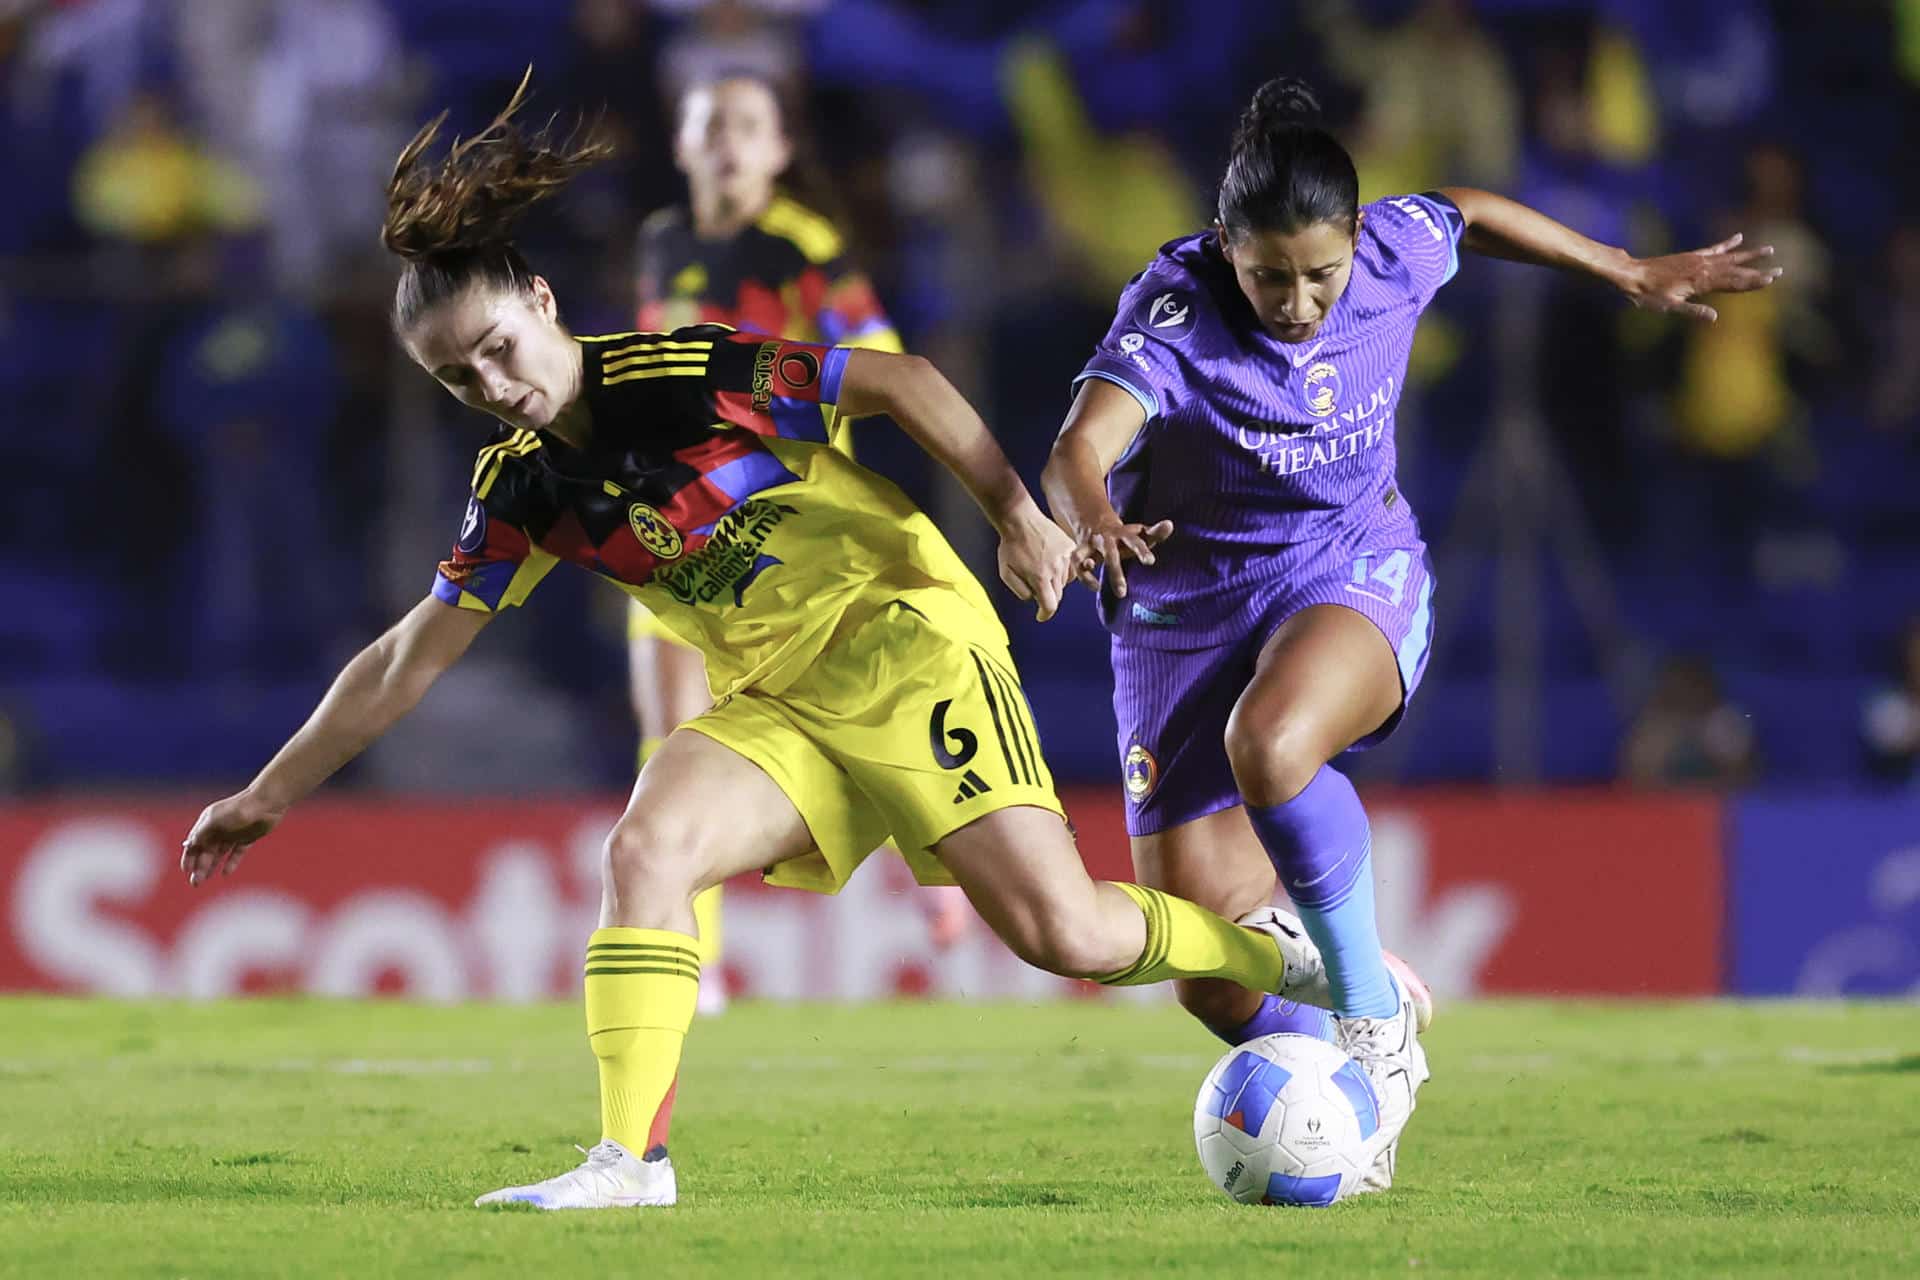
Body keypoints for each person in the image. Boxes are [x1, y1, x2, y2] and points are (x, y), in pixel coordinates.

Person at [178, 75, 1339, 1211]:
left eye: (494, 346)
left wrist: (1017, 517)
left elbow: (901, 381)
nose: (490, 384)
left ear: (539, 299)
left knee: (1064, 932)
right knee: (646, 849)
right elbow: (406, 656)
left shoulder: (683, 373)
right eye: (454, 376)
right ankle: (631, 1160)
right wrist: (267, 792)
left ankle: (1275, 955)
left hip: (901, 639)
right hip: (777, 699)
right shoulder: (520, 489)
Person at [1042, 76, 1781, 1190]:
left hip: (1347, 570)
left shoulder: (1394, 250)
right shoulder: (1176, 309)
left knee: (1271, 743)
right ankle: (1342, 1096)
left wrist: (1622, 268)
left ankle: (1372, 1022)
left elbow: (1469, 211)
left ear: (1357, 240)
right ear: (1226, 249)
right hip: (1181, 621)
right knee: (1213, 979)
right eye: (1270, 276)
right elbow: (1077, 448)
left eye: (1321, 274)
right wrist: (1093, 514)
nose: (1298, 302)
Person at [629, 72, 966, 1006]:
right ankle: (688, 957)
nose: (728, 143)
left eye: (747, 127)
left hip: (789, 524)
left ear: (779, 150)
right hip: (677, 517)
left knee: (853, 718)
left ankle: (945, 855)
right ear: (683, 143)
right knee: (670, 733)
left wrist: (762, 404)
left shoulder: (801, 248)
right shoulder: (660, 241)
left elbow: (880, 358)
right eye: (711, 126)